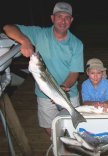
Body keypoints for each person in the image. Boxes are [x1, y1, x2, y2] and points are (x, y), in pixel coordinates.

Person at [3, 2, 84, 137]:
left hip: (69, 93)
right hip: (44, 95)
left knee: (74, 128)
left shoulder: (76, 44)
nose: (63, 21)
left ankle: (73, 145)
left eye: (67, 17)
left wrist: (64, 87)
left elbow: (74, 72)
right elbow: (8, 27)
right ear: (52, 18)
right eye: (59, 16)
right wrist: (25, 41)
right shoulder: (39, 34)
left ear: (71, 20)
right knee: (48, 126)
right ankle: (57, 144)